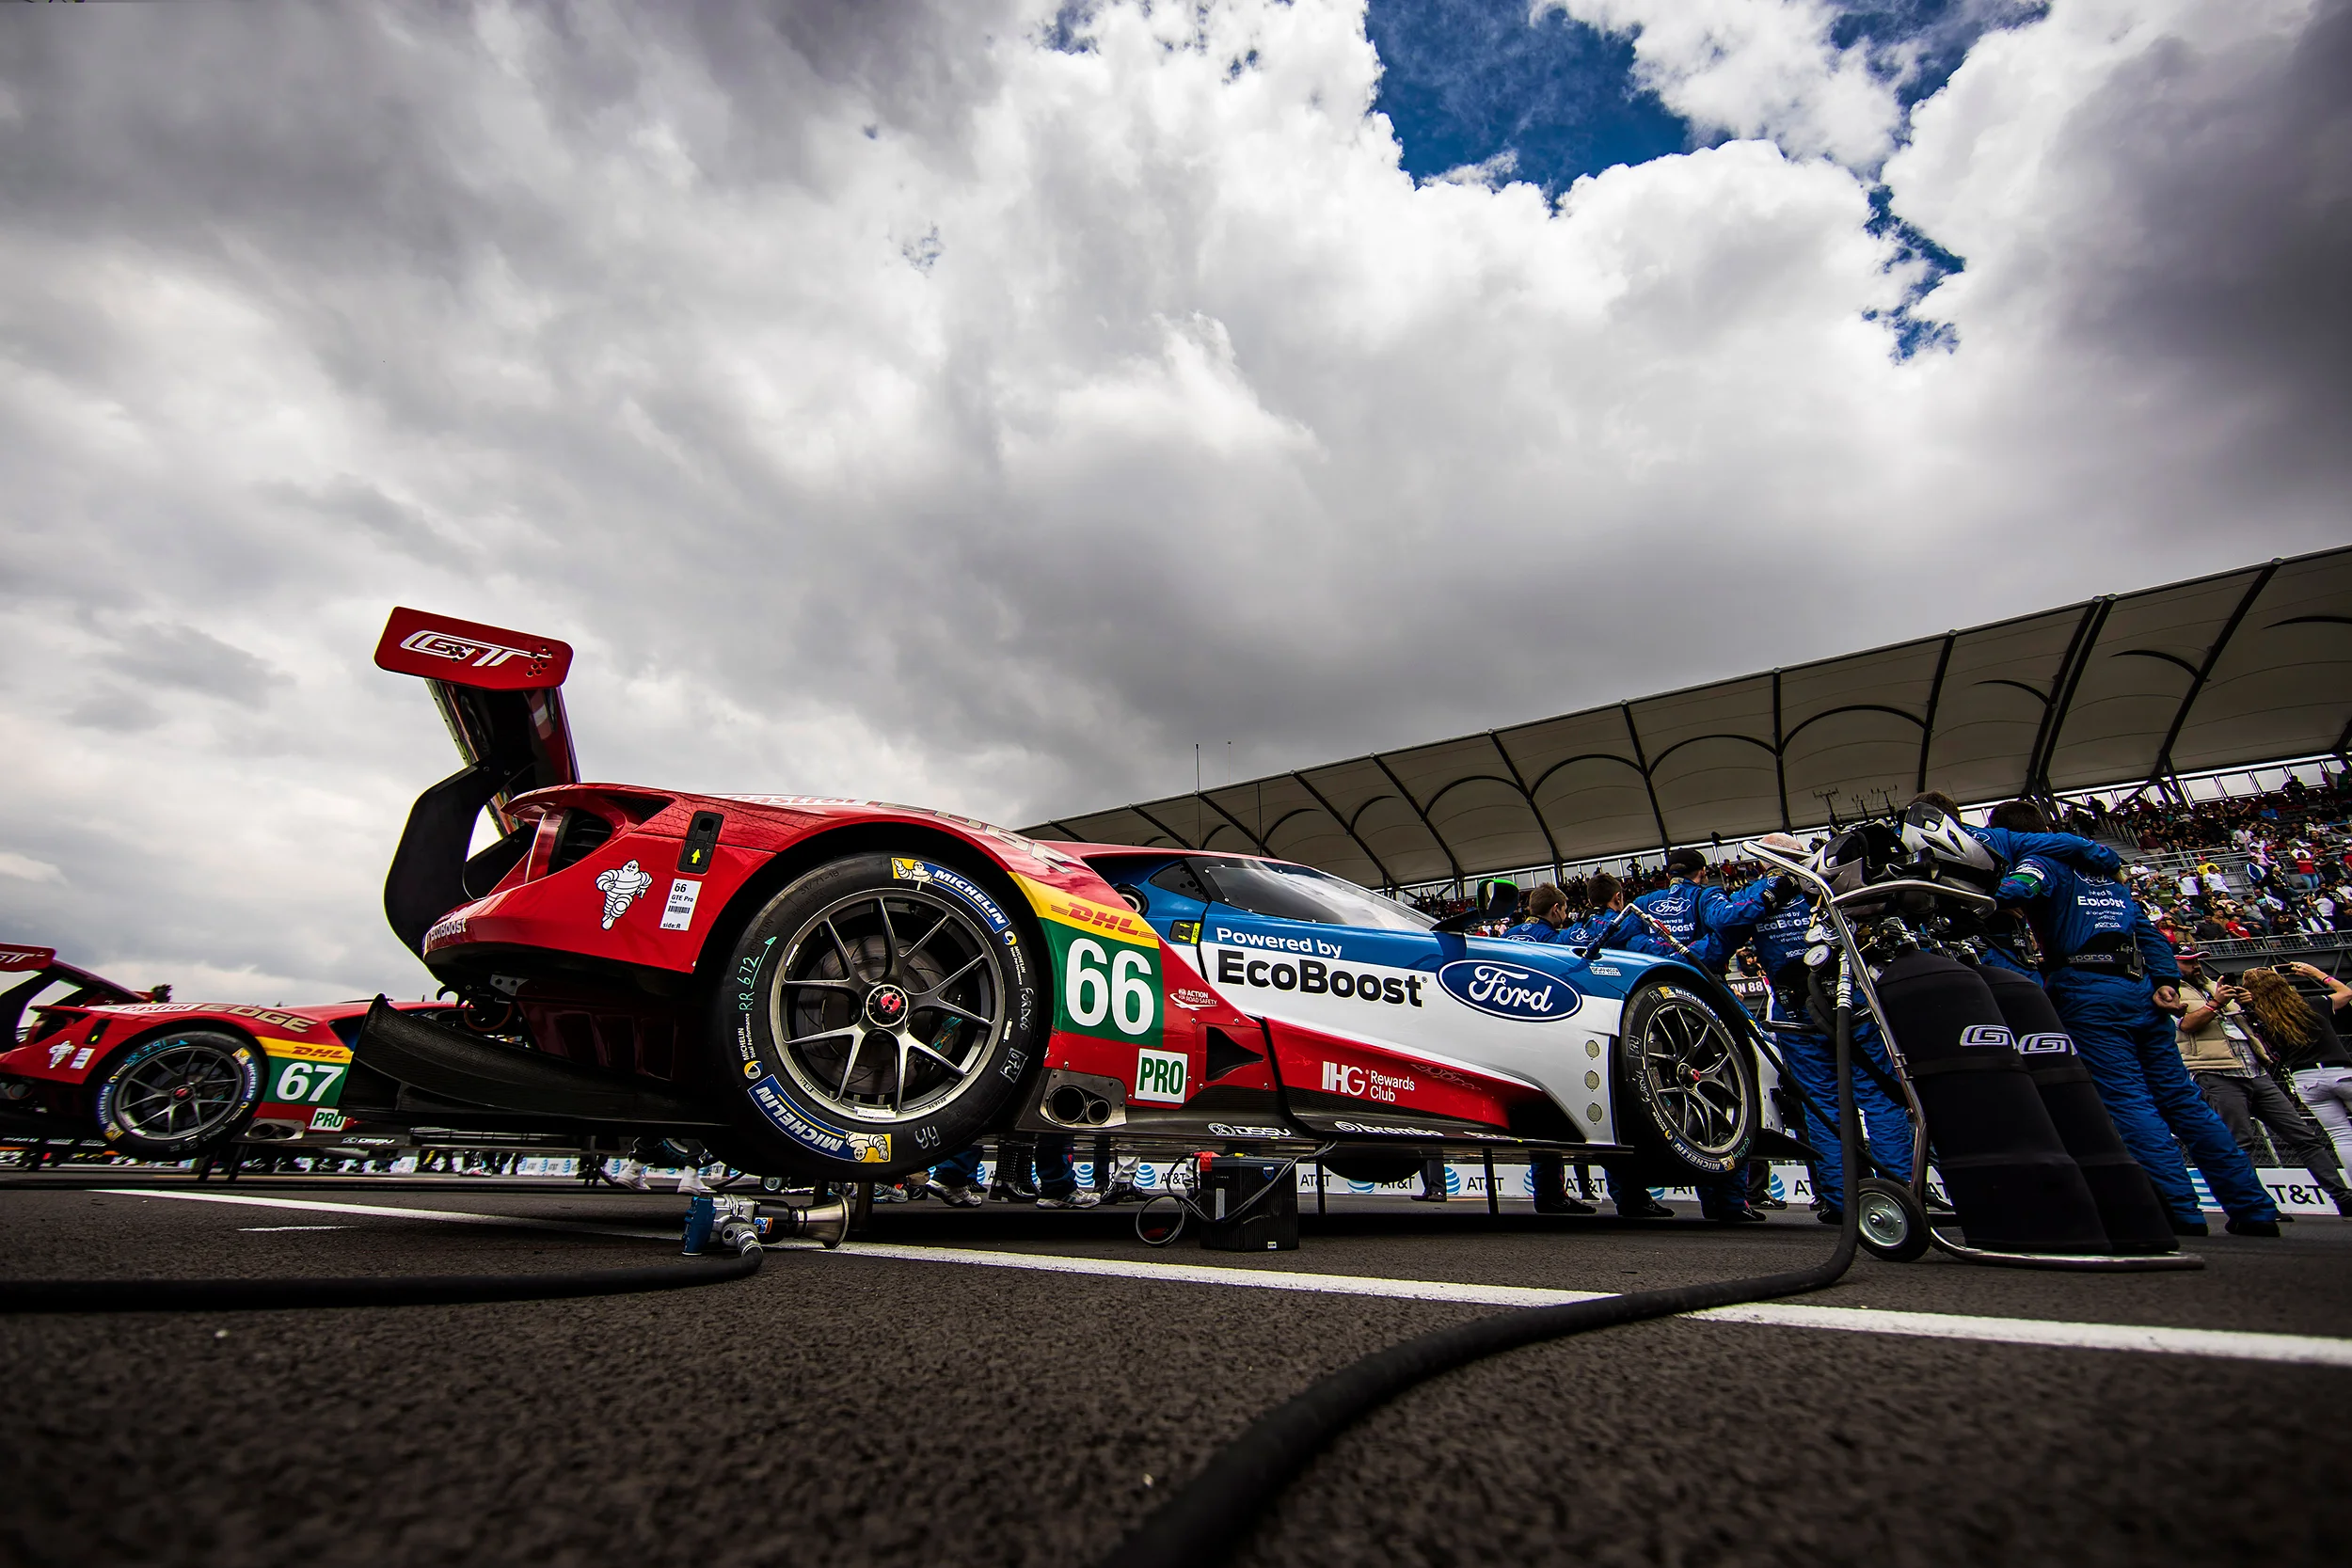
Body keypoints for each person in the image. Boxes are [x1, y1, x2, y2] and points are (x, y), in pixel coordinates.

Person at [1997, 851, 2282, 1237]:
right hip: (2143, 989)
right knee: (2184, 1101)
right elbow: (2150, 936)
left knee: (2130, 1100)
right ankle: (2253, 1208)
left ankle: (2178, 1209)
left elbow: (2012, 892)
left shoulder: (2042, 866)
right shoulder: (2111, 884)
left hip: (2088, 989)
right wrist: (2166, 980)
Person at [1744, 836, 1915, 1226]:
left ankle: (1845, 1203)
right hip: (1847, 1000)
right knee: (1878, 1097)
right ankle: (1902, 1195)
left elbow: (1722, 930)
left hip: (1797, 1011)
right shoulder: (1832, 882)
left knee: (1825, 1110)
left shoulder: (1755, 898)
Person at [1612, 847, 1787, 1223]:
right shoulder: (1706, 895)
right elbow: (1727, 924)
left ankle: (1637, 1194)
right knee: (1730, 1097)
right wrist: (1694, 955)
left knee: (1644, 1099)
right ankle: (1725, 1203)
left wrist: (1657, 953)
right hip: (1706, 1004)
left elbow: (1613, 938)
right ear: (1702, 873)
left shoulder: (1644, 903)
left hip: (1654, 1013)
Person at [2172, 952, 2352, 1216]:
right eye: (2188, 961)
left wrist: (2249, 1003)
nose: (2196, 965)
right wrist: (2215, 1004)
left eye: (2198, 960)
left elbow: (2253, 1023)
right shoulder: (2168, 990)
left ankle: (2343, 1197)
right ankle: (2259, 1206)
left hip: (2254, 1069)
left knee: (2305, 1138)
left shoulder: (2214, 984)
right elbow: (2186, 1025)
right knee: (2243, 1142)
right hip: (2215, 1070)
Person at [2237, 963, 2352, 1190]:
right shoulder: (2313, 1005)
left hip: (2305, 1080)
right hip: (2340, 1071)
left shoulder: (2259, 1018)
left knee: (2341, 1136)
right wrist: (2316, 974)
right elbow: (2346, 993)